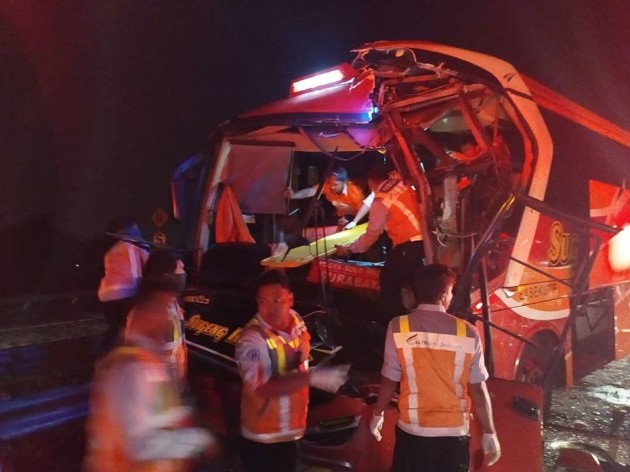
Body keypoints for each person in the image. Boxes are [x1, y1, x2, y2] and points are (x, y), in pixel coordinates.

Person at [369, 264, 501, 472]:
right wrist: (489, 432)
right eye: (450, 293)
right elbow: (478, 390)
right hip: (453, 434)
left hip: (412, 432)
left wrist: (378, 414)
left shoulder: (398, 326)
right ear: (443, 295)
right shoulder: (468, 332)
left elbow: (389, 379)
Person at [84, 271, 217, 472]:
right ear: (144, 312)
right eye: (164, 307)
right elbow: (138, 445)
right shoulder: (129, 367)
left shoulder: (150, 357)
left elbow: (159, 408)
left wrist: (182, 417)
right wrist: (197, 441)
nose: (170, 315)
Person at [235, 269, 350, 472]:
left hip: (292, 430)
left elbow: (302, 351)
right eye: (264, 301)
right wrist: (313, 377)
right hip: (264, 439)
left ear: (291, 299)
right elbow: (262, 388)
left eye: (278, 300)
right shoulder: (252, 339)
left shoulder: (296, 320)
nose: (271, 308)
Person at [335, 163, 425, 319]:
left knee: (389, 281)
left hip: (409, 245)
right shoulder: (401, 183)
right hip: (424, 242)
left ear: (371, 182)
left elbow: (373, 233)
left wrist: (350, 248)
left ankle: (392, 322)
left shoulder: (381, 198)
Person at [125, 250, 188, 389]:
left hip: (171, 385)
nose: (184, 273)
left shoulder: (172, 303)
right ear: (167, 275)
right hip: (158, 389)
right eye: (180, 269)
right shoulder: (151, 311)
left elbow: (178, 346)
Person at [97, 217, 149, 350]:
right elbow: (150, 263)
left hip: (107, 296)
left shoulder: (112, 250)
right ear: (129, 230)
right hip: (126, 293)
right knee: (126, 329)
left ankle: (104, 355)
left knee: (114, 328)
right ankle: (120, 358)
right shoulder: (136, 247)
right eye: (136, 229)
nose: (139, 232)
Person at [286, 166, 367, 229]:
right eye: (330, 183)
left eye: (335, 184)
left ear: (344, 182)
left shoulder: (355, 193)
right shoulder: (328, 186)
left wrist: (351, 221)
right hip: (339, 217)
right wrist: (294, 196)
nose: (332, 187)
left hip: (357, 220)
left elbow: (363, 212)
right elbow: (311, 191)